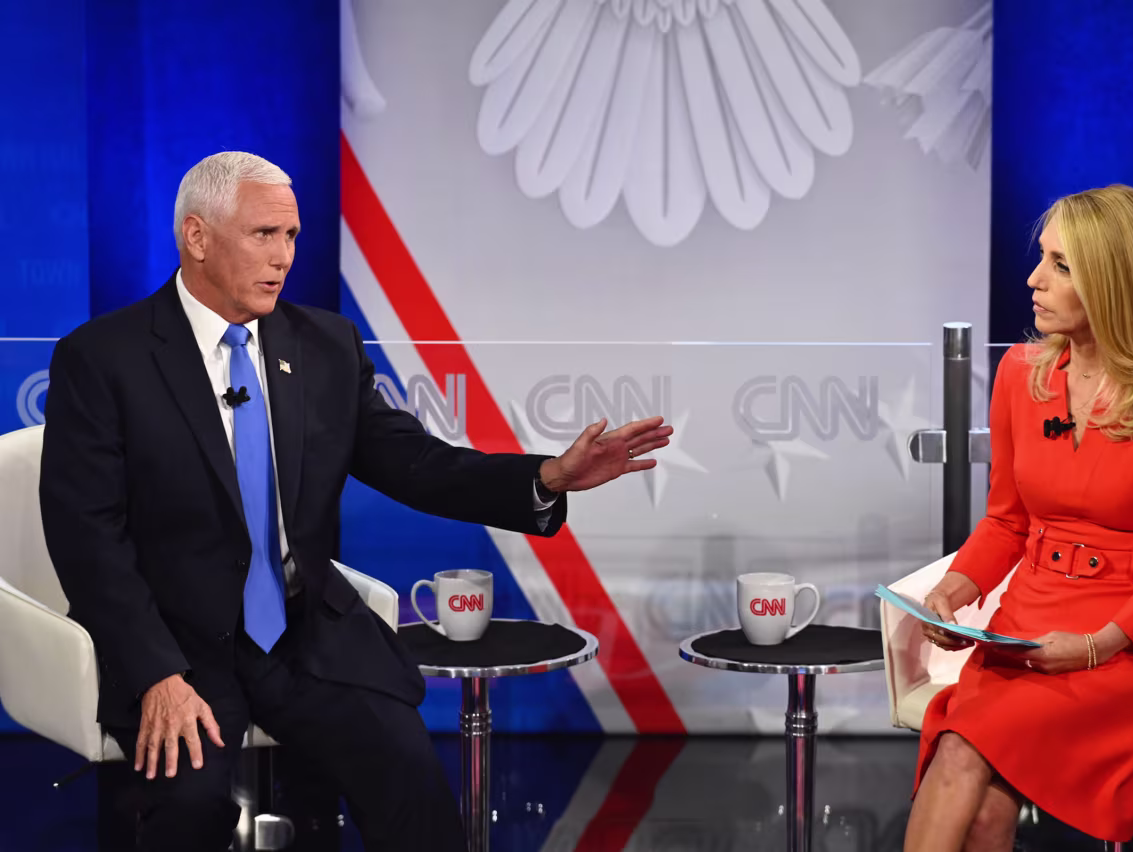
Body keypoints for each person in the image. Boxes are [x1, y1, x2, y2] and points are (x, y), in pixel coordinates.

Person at [38, 151, 673, 852]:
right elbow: (87, 535)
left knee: (409, 778)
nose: (283, 256)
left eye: (292, 236)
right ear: (196, 237)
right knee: (190, 804)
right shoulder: (103, 358)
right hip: (177, 639)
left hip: (304, 632)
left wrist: (548, 477)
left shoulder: (325, 346)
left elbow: (415, 464)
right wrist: (156, 671)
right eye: (263, 235)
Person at [903, 185, 1133, 851]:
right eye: (1041, 258)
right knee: (984, 804)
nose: (1033, 279)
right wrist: (953, 593)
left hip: (1128, 642)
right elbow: (1006, 524)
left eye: (1060, 265)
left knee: (961, 754)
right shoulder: (1021, 374)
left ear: (1114, 282)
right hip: (1028, 623)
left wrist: (1097, 645)